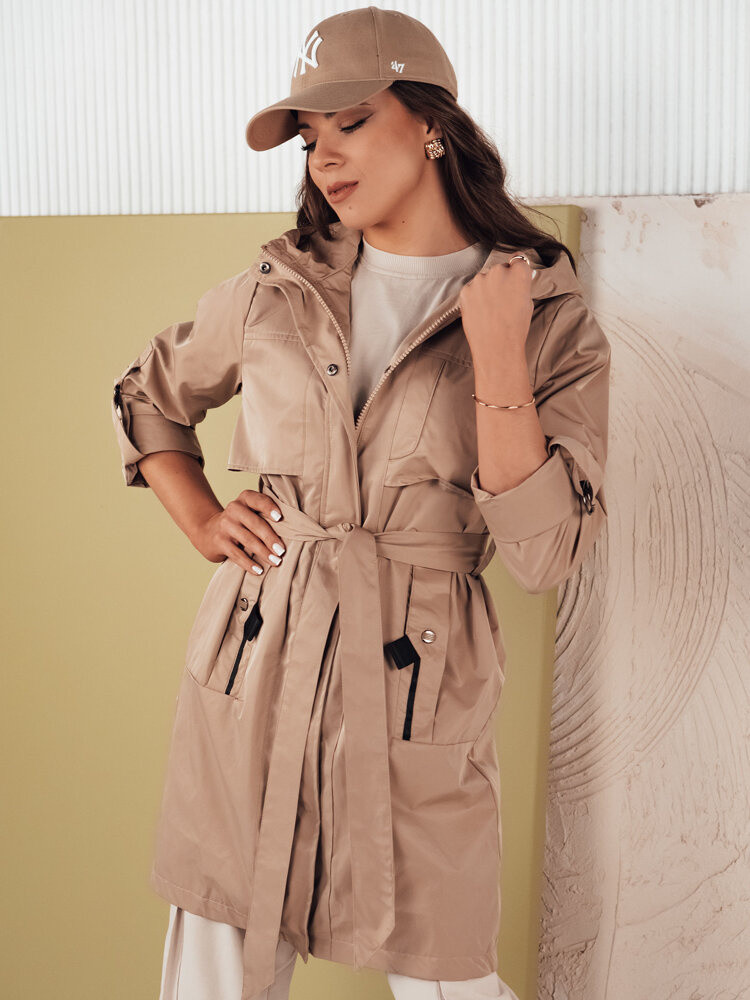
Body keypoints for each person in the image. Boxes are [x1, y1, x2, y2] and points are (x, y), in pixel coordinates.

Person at [110, 7, 610, 1000]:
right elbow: (149, 396)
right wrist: (202, 519)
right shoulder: (277, 287)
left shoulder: (546, 312)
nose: (324, 156)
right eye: (308, 137)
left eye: (349, 121)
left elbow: (546, 554)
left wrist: (498, 353)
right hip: (257, 649)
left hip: (419, 667)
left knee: (445, 970)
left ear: (430, 123)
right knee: (214, 958)